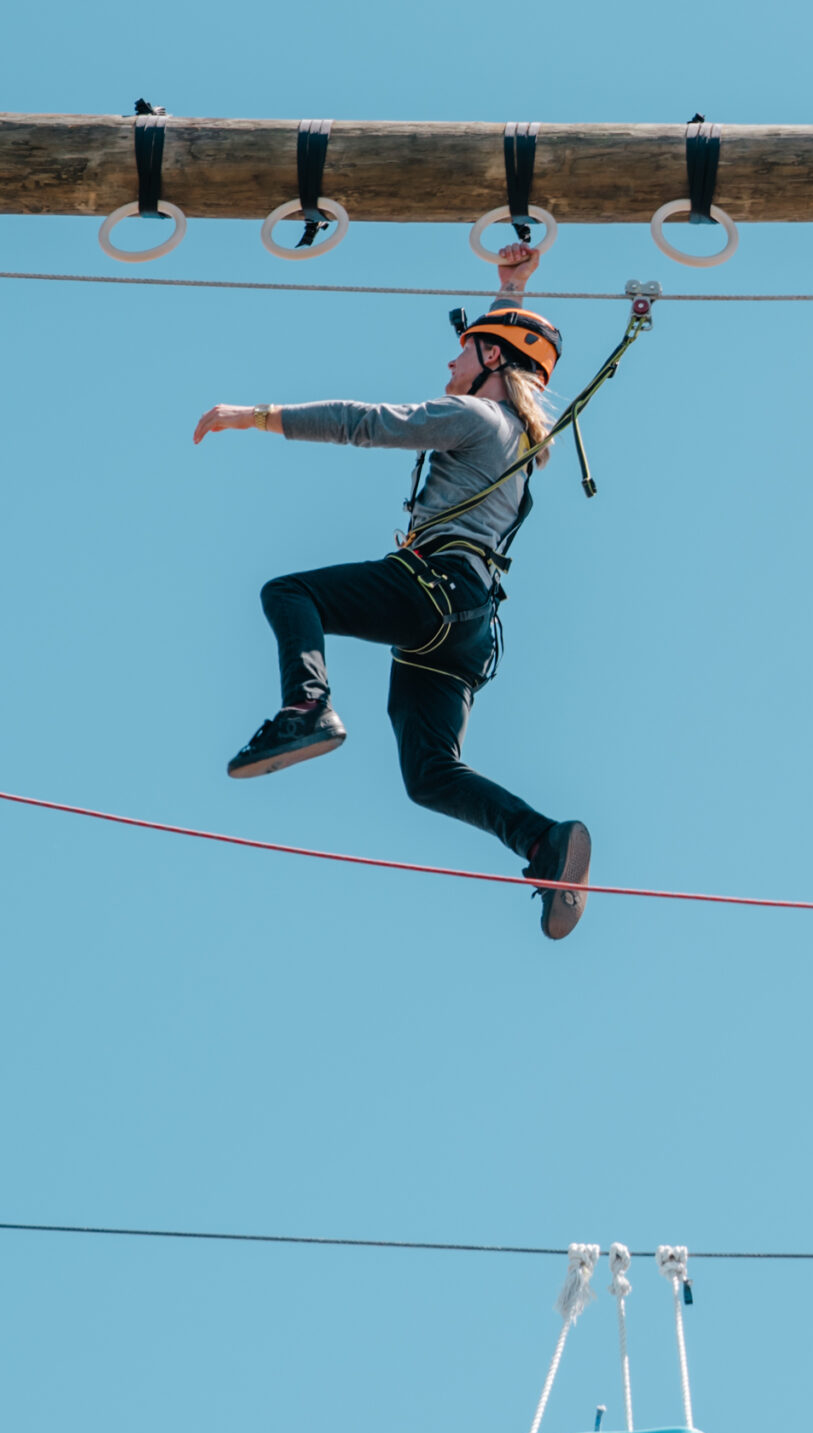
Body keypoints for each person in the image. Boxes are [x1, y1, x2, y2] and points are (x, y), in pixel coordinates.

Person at [194, 241, 592, 940]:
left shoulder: (474, 418)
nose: (450, 364)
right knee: (430, 774)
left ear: (493, 362)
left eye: (464, 353)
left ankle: (306, 706)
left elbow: (365, 423)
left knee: (290, 593)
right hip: (469, 626)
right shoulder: (518, 438)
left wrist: (254, 415)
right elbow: (501, 354)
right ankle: (542, 841)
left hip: (432, 593)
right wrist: (510, 292)